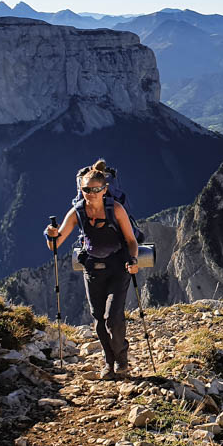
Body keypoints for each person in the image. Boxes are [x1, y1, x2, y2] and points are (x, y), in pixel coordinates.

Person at [44, 159, 139, 380]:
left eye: (96, 189)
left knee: (113, 317)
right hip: (93, 270)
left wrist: (133, 260)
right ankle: (109, 362)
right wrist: (49, 234)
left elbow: (131, 240)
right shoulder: (77, 212)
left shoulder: (115, 209)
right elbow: (56, 244)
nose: (91, 193)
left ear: (105, 189)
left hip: (119, 267)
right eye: (86, 189)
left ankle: (121, 359)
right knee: (98, 319)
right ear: (81, 189)